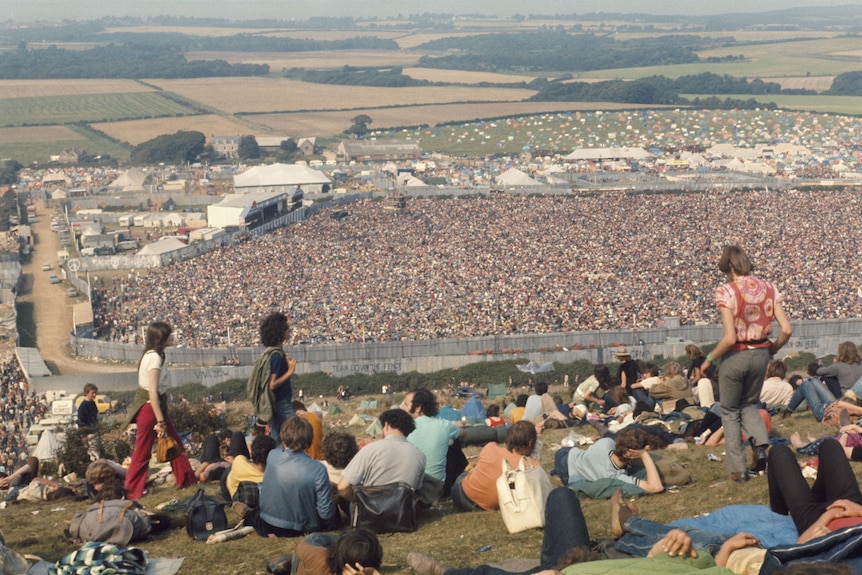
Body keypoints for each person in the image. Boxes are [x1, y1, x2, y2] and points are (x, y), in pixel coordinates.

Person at [700, 245, 792, 483]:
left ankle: (738, 470)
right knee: (749, 404)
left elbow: (730, 338)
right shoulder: (770, 289)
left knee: (729, 411)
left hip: (737, 354)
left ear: (728, 266)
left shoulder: (726, 291)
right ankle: (761, 446)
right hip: (762, 353)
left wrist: (709, 359)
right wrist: (773, 349)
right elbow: (787, 329)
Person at [123, 321, 196, 500]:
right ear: (161, 338)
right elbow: (152, 391)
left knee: (175, 446)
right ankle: (131, 490)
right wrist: (160, 421)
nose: (172, 337)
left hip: (153, 407)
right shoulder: (154, 358)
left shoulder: (154, 355)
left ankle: (186, 480)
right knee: (143, 452)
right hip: (151, 408)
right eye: (169, 335)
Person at [245, 417, 336, 537]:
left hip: (268, 521)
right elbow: (326, 513)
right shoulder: (318, 469)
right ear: (309, 441)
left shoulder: (272, 455)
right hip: (299, 527)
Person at [768, 440, 862, 543]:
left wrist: (827, 517)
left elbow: (796, 550)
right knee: (830, 445)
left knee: (779, 452)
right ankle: (817, 498)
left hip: (815, 522)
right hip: (852, 508)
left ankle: (779, 523)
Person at [337, 408, 425, 501]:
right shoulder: (419, 455)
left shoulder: (370, 449)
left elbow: (342, 487)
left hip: (371, 509)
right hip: (402, 510)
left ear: (386, 425)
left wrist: (356, 502)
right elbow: (417, 487)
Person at [450, 420, 539, 512]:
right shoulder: (532, 467)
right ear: (530, 443)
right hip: (483, 507)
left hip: (461, 495)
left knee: (468, 474)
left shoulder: (490, 447)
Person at [553, 427, 664, 495]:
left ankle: (554, 472)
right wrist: (644, 455)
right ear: (630, 454)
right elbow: (656, 487)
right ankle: (556, 473)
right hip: (567, 470)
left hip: (569, 452)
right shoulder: (615, 476)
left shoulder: (607, 442)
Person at [402, 388, 466, 503]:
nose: (402, 408)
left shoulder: (402, 429)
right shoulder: (444, 425)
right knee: (454, 443)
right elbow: (463, 433)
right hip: (437, 489)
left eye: (406, 405)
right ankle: (459, 478)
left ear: (417, 408)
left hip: (408, 488)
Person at [265, 528, 383, 575]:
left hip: (307, 559)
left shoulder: (320, 556)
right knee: (367, 546)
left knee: (315, 537)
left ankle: (290, 562)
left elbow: (300, 547)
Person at [255, 312, 297, 442]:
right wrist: (290, 371)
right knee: (295, 434)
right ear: (280, 332)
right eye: (286, 328)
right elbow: (272, 384)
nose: (289, 330)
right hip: (281, 402)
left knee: (278, 436)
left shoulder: (274, 353)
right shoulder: (276, 356)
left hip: (275, 403)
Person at [224, 434, 276, 507]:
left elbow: (239, 459)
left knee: (237, 436)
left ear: (252, 452)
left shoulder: (239, 461)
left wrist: (234, 461)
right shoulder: (272, 477)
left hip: (231, 491)